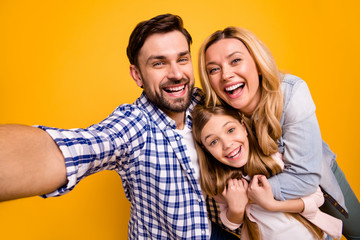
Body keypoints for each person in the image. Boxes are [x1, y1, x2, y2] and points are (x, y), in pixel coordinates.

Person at [0, 14, 238, 240]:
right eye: (159, 63)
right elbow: (80, 148)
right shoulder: (133, 125)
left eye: (182, 59)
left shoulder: (204, 103)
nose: (176, 74)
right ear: (137, 75)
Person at [198, 26, 360, 239]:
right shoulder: (218, 115)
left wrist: (242, 196)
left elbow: (306, 180)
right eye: (213, 69)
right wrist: (239, 207)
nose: (226, 74)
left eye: (235, 61)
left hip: (319, 178)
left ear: (256, 63)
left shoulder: (291, 93)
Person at [191, 104, 342, 239]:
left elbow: (316, 197)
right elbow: (230, 224)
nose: (227, 144)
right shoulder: (223, 183)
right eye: (213, 142)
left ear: (243, 127)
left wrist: (271, 204)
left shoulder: (273, 158)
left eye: (230, 130)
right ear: (206, 149)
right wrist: (236, 210)